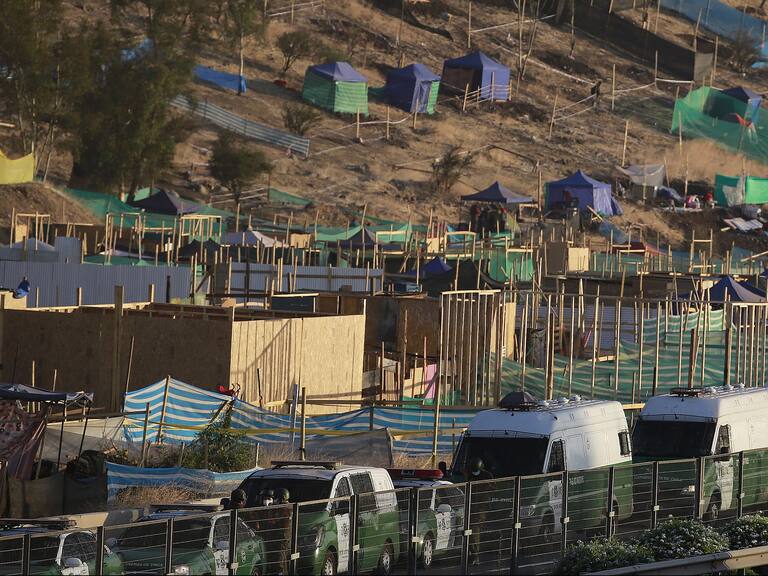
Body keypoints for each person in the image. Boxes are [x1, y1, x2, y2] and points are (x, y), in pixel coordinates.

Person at [465, 457, 494, 565]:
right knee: (468, 529)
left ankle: (475, 554)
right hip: (469, 505)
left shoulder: (487, 476)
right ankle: (469, 552)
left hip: (480, 508)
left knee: (474, 529)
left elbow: (491, 491)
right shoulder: (469, 473)